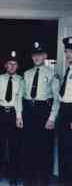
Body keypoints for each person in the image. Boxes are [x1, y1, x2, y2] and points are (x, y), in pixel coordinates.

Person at [22, 42, 60, 186]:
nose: (37, 57)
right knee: (28, 146)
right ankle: (29, 180)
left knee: (44, 148)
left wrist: (52, 118)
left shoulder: (52, 74)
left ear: (45, 56)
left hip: (44, 111)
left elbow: (56, 99)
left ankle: (43, 180)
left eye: (40, 54)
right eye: (34, 55)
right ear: (32, 57)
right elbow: (22, 95)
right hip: (29, 111)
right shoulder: (26, 74)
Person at [0, 51, 23, 186]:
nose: (12, 66)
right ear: (5, 65)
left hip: (14, 114)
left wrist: (19, 116)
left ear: (17, 66)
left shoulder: (21, 81)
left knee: (15, 146)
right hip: (0, 113)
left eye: (15, 64)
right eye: (10, 64)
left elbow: (20, 99)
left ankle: (13, 177)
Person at [58, 36, 72, 185]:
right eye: (67, 51)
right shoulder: (69, 69)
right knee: (64, 148)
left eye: (71, 51)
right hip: (64, 111)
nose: (68, 54)